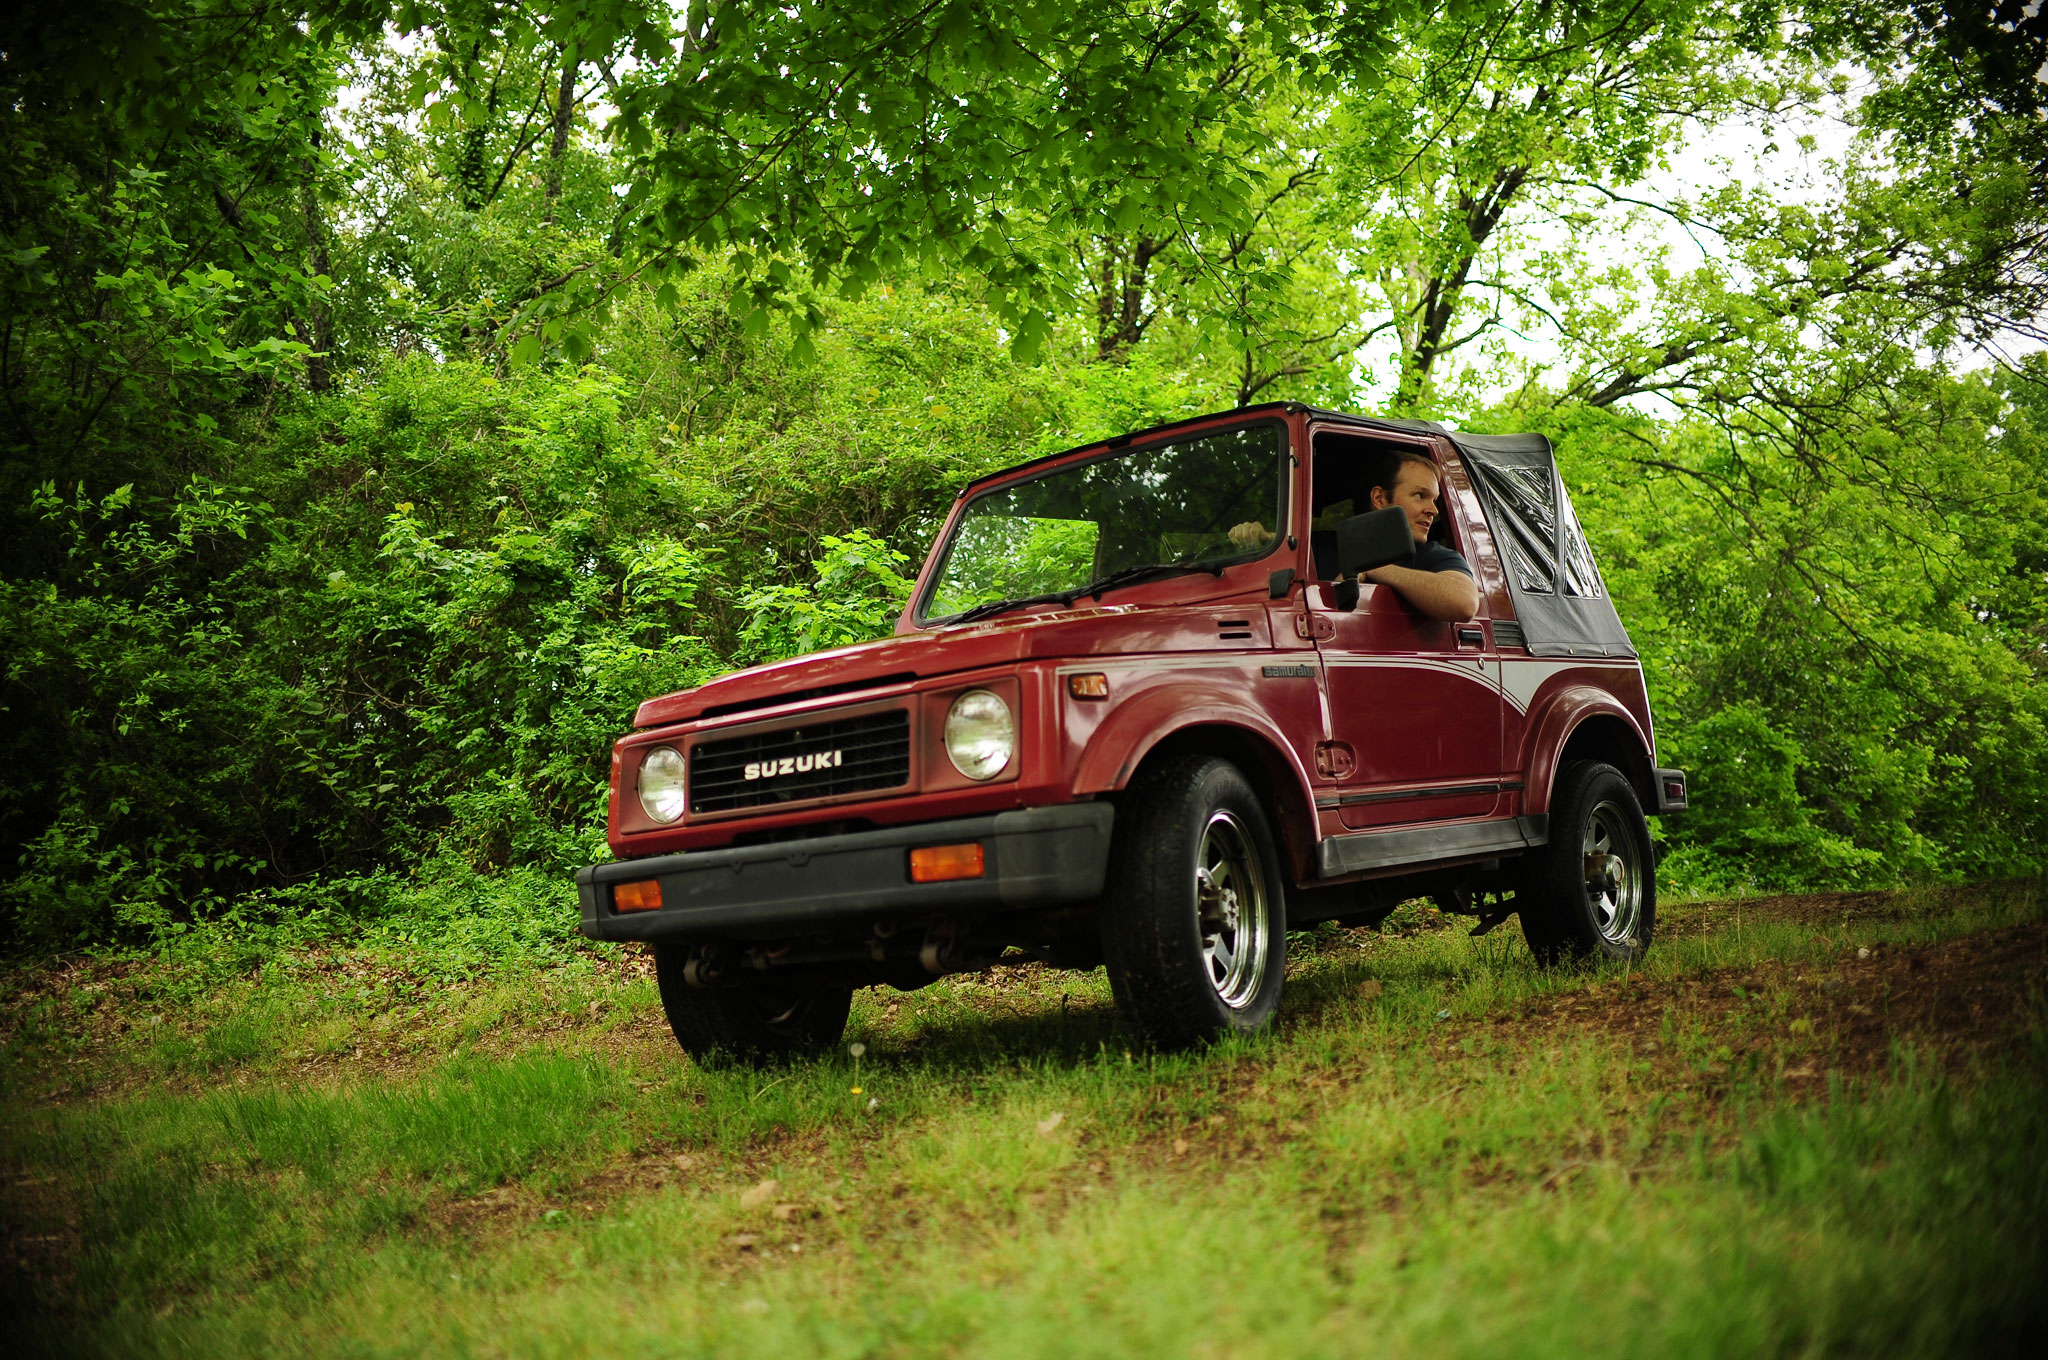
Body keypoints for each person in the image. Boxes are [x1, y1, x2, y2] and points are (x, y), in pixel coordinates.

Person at [1229, 448, 1480, 622]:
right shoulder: (1319, 547)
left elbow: (1464, 603)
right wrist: (1255, 539)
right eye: (1420, 496)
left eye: (1433, 500)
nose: (1433, 510)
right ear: (1380, 498)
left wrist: (1375, 569)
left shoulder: (1435, 557)